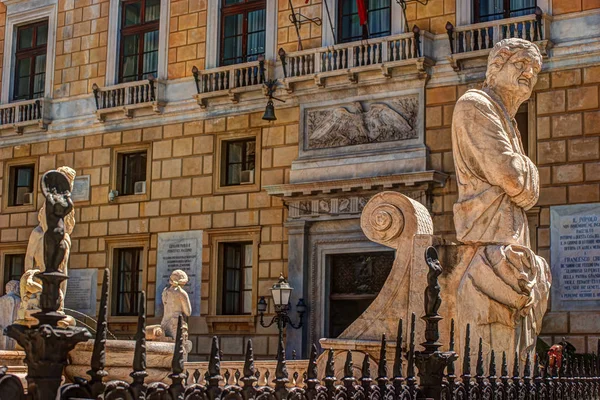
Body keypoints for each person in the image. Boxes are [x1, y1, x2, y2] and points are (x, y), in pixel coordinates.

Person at [452, 38, 551, 361]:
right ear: (497, 67)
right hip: (488, 250)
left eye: (534, 69)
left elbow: (523, 186)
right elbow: (514, 178)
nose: (528, 73)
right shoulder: (475, 105)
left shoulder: (505, 118)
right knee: (491, 369)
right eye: (521, 64)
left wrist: (524, 178)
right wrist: (527, 175)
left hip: (507, 247)